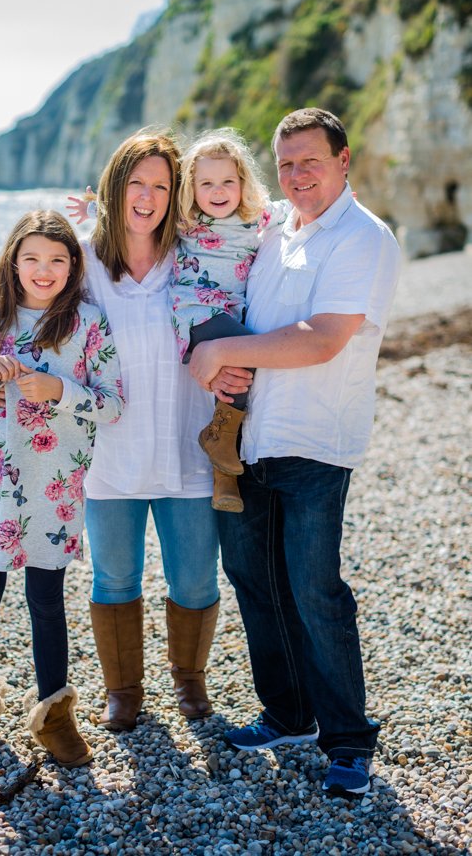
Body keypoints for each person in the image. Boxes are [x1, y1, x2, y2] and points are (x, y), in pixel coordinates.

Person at [188, 108, 401, 798]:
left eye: (310, 160)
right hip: (249, 437)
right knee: (253, 581)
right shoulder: (274, 227)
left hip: (316, 437)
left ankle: (347, 743)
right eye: (285, 164)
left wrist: (219, 350)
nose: (297, 175)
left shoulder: (362, 238)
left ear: (344, 162)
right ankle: (287, 714)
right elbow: (199, 227)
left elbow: (320, 338)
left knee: (315, 591)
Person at [0, 210, 123, 767]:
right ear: (13, 262)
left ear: (73, 266)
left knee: (46, 600)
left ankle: (54, 714)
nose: (44, 271)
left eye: (57, 260)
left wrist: (60, 389)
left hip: (54, 486)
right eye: (32, 259)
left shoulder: (88, 324)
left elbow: (113, 405)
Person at [71, 128, 222, 729]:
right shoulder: (84, 261)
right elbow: (34, 303)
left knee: (194, 578)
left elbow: (249, 221)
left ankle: (189, 682)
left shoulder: (194, 255)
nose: (149, 196)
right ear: (116, 186)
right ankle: (124, 692)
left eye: (162, 185)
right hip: (108, 453)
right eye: (137, 182)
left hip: (186, 448)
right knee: (113, 577)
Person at [69, 128, 289, 513]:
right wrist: (94, 208)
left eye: (226, 182)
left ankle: (222, 450)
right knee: (248, 349)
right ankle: (222, 441)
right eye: (206, 184)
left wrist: (325, 206)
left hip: (186, 462)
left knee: (245, 361)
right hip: (197, 312)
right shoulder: (191, 226)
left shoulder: (250, 219)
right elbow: (132, 211)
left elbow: (290, 208)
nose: (217, 191)